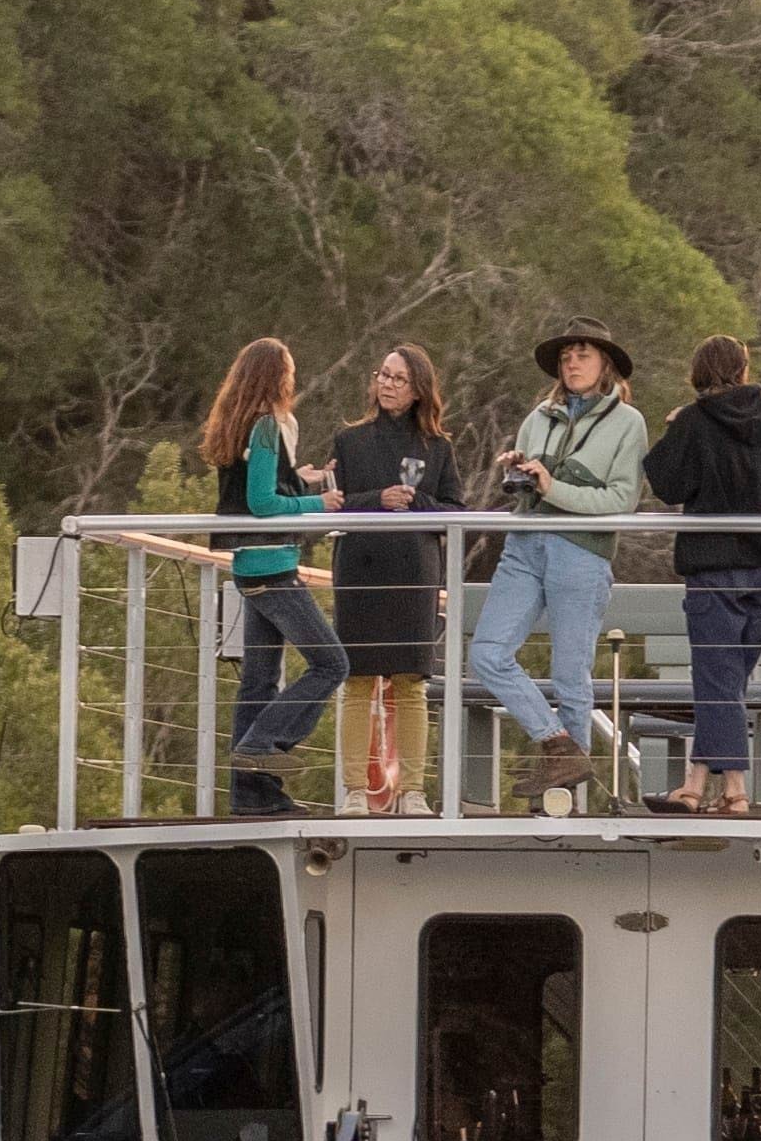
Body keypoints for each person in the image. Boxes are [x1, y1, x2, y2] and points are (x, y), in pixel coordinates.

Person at [465, 327, 648, 809]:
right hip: (523, 545)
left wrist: (552, 488)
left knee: (571, 672)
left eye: (582, 355)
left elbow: (620, 501)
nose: (571, 364)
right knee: (486, 653)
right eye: (566, 356)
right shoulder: (536, 419)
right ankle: (557, 745)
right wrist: (521, 471)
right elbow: (533, 492)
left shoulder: (628, 423)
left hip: (581, 551)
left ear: (605, 363)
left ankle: (565, 795)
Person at [648, 332, 761, 816]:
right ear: (743, 369)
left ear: (697, 374)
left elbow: (665, 483)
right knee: (727, 681)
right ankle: (699, 784)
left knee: (718, 680)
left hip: (714, 568)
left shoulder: (694, 422)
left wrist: (675, 427)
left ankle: (734, 792)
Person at [317, 342, 463, 817]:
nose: (387, 384)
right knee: (358, 680)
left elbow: (456, 511)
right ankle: (355, 790)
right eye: (382, 375)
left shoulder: (438, 446)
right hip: (360, 567)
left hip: (415, 571)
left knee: (411, 681)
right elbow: (339, 503)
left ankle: (414, 791)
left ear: (419, 388)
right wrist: (377, 498)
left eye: (398, 378)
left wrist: (416, 504)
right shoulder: (350, 440)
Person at [198, 335, 336, 813]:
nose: (293, 382)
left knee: (259, 682)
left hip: (250, 567)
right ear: (277, 377)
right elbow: (262, 504)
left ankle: (251, 796)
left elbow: (258, 485)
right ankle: (263, 747)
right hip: (271, 566)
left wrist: (303, 479)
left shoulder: (244, 426)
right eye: (290, 373)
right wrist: (317, 503)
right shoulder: (265, 427)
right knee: (331, 663)